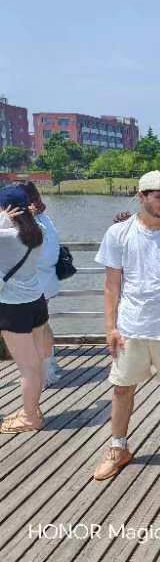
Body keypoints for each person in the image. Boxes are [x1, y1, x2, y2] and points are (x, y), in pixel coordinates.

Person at [93, 171, 160, 479]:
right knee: (122, 388)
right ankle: (118, 447)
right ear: (142, 197)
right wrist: (111, 327)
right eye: (159, 196)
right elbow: (112, 284)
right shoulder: (119, 233)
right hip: (130, 327)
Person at [0, 186, 47, 434]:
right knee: (36, 363)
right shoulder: (40, 232)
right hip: (36, 302)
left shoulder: (5, 237)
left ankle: (30, 418)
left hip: (13, 308)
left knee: (27, 368)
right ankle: (33, 408)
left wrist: (3, 218)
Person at [14, 181, 61, 388]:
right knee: (40, 327)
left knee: (36, 330)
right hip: (40, 282)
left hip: (36, 283)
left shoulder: (36, 221)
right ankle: (47, 367)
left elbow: (42, 255)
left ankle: (45, 372)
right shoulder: (41, 219)